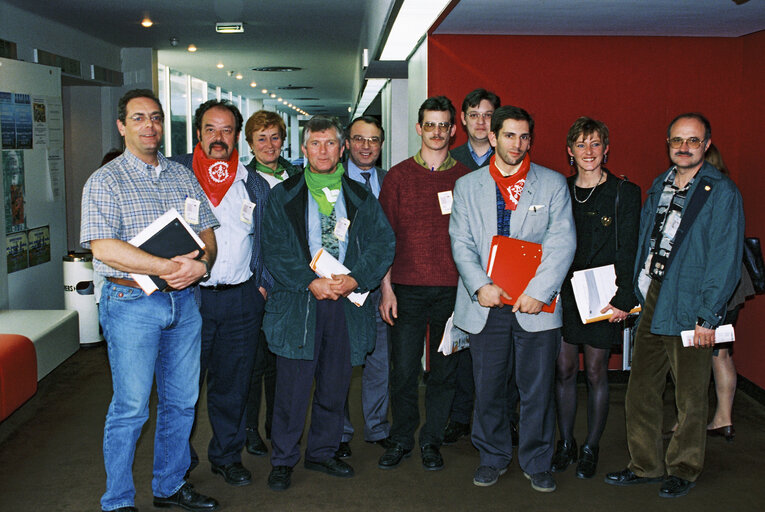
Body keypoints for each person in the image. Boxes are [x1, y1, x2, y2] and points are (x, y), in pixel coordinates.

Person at [80, 89, 220, 512]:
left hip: (185, 304)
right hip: (130, 305)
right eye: (139, 118)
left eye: (156, 117)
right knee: (131, 407)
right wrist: (165, 267)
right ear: (122, 126)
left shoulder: (181, 175)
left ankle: (170, 486)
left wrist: (204, 265)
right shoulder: (105, 180)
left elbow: (207, 233)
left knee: (182, 403)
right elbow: (103, 248)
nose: (150, 125)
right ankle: (118, 500)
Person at [605, 113, 744, 498]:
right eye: (677, 140)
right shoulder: (659, 185)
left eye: (693, 141)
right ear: (668, 144)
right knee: (642, 389)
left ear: (707, 145)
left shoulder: (722, 192)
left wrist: (708, 316)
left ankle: (684, 467)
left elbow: (724, 259)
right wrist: (633, 292)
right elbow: (646, 245)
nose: (684, 147)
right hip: (654, 298)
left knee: (690, 394)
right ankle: (646, 464)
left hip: (691, 305)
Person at [261, 116, 394, 492]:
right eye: (315, 144)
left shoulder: (361, 196)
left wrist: (356, 279)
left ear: (342, 148)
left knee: (336, 384)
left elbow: (382, 244)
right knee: (292, 387)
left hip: (347, 302)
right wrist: (309, 281)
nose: (323, 151)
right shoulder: (281, 196)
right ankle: (284, 459)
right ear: (303, 150)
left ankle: (322, 452)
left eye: (330, 144)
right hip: (298, 302)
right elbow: (275, 249)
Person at [449, 105, 576, 491]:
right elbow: (461, 242)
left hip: (534, 307)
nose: (517, 144)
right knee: (487, 387)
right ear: (492, 136)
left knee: (536, 389)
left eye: (524, 137)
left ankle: (537, 461)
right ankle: (492, 455)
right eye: (509, 135)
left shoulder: (552, 184)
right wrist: (479, 285)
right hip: (486, 303)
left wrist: (539, 292)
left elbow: (561, 242)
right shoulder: (467, 185)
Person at [171, 99, 271, 487]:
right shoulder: (176, 175)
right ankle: (179, 461)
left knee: (233, 384)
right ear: (198, 133)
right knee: (182, 385)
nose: (218, 138)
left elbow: (264, 239)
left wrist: (261, 285)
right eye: (210, 129)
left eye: (226, 130)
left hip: (241, 299)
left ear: (236, 137)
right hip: (187, 297)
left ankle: (226, 456)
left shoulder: (253, 182)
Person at [377, 96, 471, 472]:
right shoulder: (398, 177)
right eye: (429, 125)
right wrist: (385, 289)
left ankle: (431, 440)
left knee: (444, 372)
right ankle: (401, 437)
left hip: (452, 292)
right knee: (403, 371)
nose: (436, 131)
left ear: (452, 130)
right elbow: (384, 238)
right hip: (406, 290)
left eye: (443, 125)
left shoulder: (465, 178)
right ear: (419, 128)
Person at [552, 117, 641, 479]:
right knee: (564, 369)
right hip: (564, 292)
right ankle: (566, 443)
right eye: (580, 145)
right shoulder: (559, 189)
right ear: (569, 151)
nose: (588, 152)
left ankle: (591, 446)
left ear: (606, 149)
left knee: (595, 371)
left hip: (605, 294)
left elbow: (630, 247)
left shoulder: (624, 191)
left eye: (595, 144)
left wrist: (624, 296)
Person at [445, 88, 518, 446]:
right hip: (461, 273)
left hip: (507, 278)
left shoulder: (512, 157)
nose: (479, 121)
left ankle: (506, 420)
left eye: (487, 115)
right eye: (473, 114)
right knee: (462, 352)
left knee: (506, 359)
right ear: (462, 119)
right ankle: (461, 416)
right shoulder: (450, 160)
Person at [242, 110, 302, 457]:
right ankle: (250, 429)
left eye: (275, 137)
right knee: (254, 363)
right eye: (261, 138)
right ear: (250, 143)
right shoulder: (243, 180)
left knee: (283, 364)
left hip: (292, 285)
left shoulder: (298, 176)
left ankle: (277, 428)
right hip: (256, 283)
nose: (269, 144)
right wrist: (260, 280)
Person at [338, 116, 394, 458]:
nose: (366, 146)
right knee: (340, 363)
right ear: (347, 143)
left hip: (381, 287)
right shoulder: (331, 178)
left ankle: (376, 427)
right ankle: (340, 431)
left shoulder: (391, 181)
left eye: (373, 140)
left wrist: (388, 287)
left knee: (379, 360)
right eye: (359, 139)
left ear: (381, 144)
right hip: (342, 287)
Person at [703, 144, 755, 442]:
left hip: (716, 289)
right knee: (721, 354)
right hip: (734, 289)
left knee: (707, 357)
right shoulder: (729, 190)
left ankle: (719, 418)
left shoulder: (713, 194)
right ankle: (725, 417)